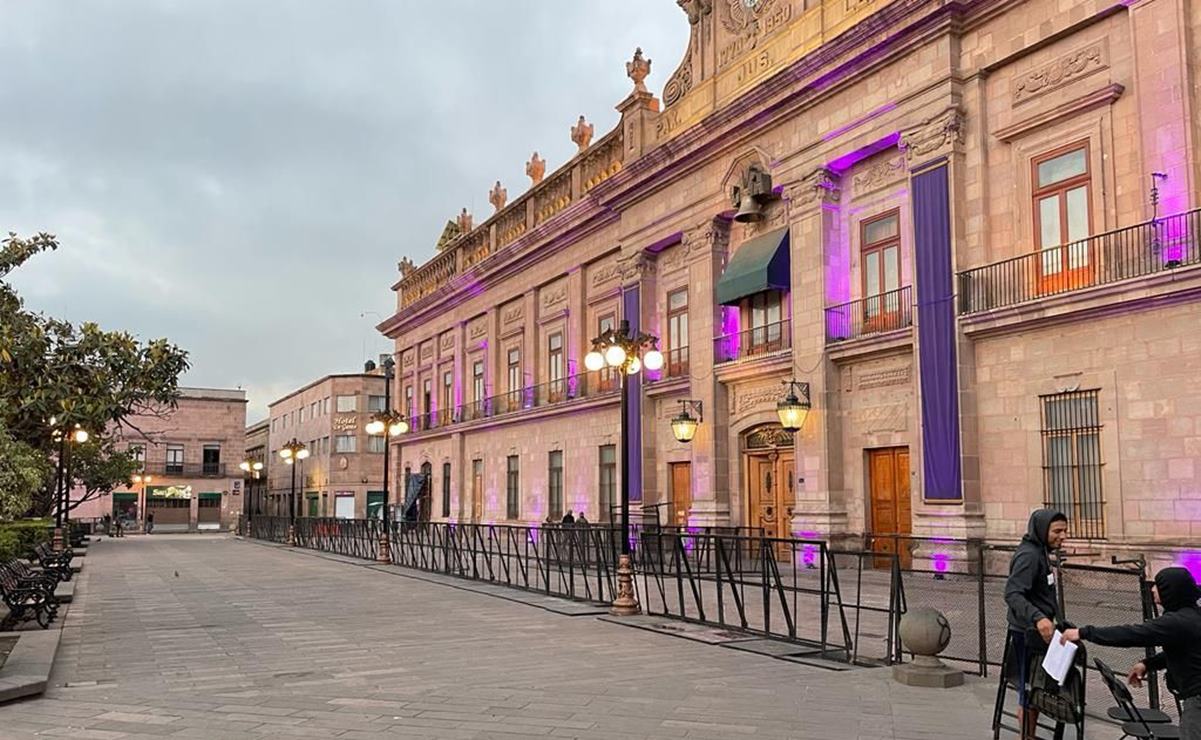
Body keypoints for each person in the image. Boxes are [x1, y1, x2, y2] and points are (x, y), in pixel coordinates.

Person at [1060, 566, 1201, 739]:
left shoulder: (1177, 622)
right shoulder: (1190, 616)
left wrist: (1084, 633)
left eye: (1157, 585)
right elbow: (1184, 652)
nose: (1152, 589)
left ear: (1170, 591)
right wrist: (1147, 664)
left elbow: (1132, 634)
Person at [1004, 508, 1069, 739]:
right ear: (1042, 530)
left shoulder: (1040, 551)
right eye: (1057, 531)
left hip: (1040, 633)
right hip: (1026, 633)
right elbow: (1012, 593)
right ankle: (1027, 736)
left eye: (1065, 531)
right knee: (1030, 690)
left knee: (1037, 688)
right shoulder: (1029, 556)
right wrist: (1038, 617)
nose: (1063, 536)